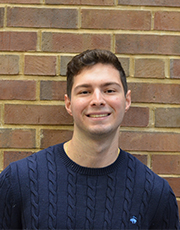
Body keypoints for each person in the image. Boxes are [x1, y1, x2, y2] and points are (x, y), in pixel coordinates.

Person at [0, 49, 179, 229]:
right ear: (69, 104)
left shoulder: (156, 194)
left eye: (109, 90)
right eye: (85, 92)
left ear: (126, 101)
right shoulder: (19, 181)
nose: (97, 100)